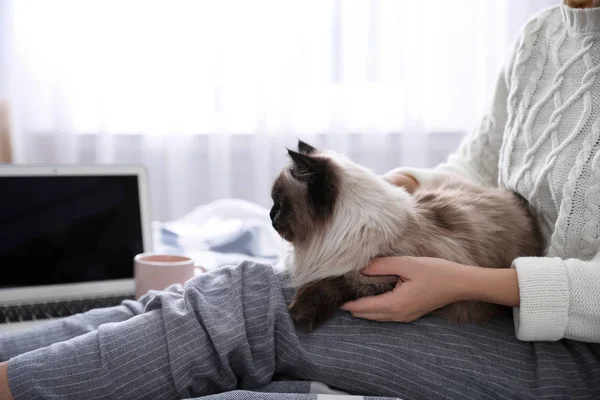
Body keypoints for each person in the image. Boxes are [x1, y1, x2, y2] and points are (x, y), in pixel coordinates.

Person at [2, 1, 600, 399]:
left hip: (576, 358)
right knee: (205, 297)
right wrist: (387, 196)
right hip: (501, 299)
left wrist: (470, 283)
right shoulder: (544, 33)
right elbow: (476, 165)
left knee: (248, 305)